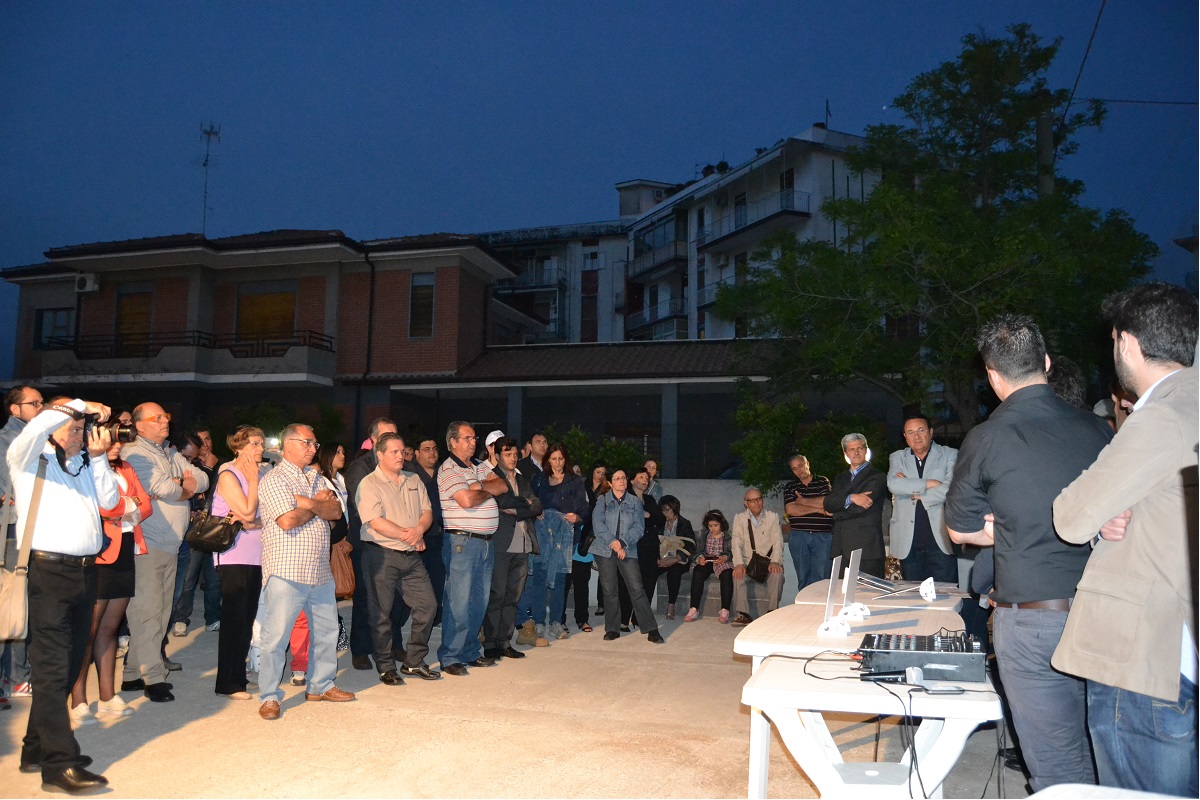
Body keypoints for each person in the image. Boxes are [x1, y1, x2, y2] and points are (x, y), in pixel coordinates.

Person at [946, 314, 1112, 792]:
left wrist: (1005, 527)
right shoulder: (1099, 430)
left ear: (993, 376)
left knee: (1058, 767)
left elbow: (959, 529)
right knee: (1104, 753)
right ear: (1046, 362)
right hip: (1103, 612)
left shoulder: (987, 438)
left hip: (1033, 622)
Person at [1050, 284, 1198, 796]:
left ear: (1127, 343)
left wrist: (1099, 513)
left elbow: (1071, 515)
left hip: (1145, 657)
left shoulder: (1161, 414)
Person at [9, 398, 118, 792]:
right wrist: (80, 405)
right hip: (47, 573)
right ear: (51, 424)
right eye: (72, 427)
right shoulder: (27, 455)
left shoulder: (84, 463)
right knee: (52, 667)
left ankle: (35, 748)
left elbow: (110, 502)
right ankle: (58, 766)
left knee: (71, 664)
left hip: (85, 572)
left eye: (82, 428)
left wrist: (100, 459)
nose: (79, 433)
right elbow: (42, 424)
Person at [255, 424, 354, 721]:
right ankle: (269, 696)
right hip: (286, 569)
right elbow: (287, 521)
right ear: (287, 445)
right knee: (276, 637)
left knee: (326, 632)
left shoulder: (317, 477)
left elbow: (335, 512)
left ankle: (321, 685)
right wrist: (317, 504)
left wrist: (306, 503)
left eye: (315, 443)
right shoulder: (274, 479)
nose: (313, 448)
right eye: (307, 443)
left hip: (320, 570)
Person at [121, 403, 209, 702]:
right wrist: (184, 486)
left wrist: (180, 485)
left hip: (170, 543)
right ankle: (154, 677)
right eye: (156, 418)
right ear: (139, 425)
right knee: (147, 612)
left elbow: (203, 479)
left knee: (160, 612)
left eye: (165, 417)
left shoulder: (169, 453)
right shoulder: (136, 453)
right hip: (148, 542)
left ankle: (132, 673)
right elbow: (162, 488)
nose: (164, 421)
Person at [69, 435, 151, 725]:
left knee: (110, 628)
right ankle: (78, 698)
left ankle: (107, 695)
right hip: (99, 552)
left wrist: (124, 508)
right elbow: (104, 507)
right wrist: (126, 507)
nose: (117, 445)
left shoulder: (126, 467)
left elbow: (146, 505)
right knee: (87, 630)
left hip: (124, 549)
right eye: (112, 440)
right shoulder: (83, 466)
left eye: (119, 441)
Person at [356, 432, 441, 684]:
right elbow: (375, 522)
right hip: (381, 555)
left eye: (402, 451)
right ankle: (385, 666)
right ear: (379, 455)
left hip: (411, 556)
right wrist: (410, 535)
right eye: (393, 452)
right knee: (381, 613)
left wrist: (418, 531)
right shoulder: (369, 483)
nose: (400, 456)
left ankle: (413, 661)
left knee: (428, 606)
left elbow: (427, 512)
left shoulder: (413, 479)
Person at [437, 421, 508, 676]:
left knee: (479, 601)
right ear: (453, 442)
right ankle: (451, 656)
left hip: (486, 543)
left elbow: (502, 485)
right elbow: (466, 500)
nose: (472, 442)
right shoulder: (449, 469)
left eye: (474, 438)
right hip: (462, 543)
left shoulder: (479, 465)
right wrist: (483, 488)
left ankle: (470, 651)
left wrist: (479, 487)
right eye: (467, 438)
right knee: (458, 601)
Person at [343, 417, 405, 671]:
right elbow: (364, 506)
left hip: (397, 540)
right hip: (368, 542)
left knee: (396, 597)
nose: (393, 440)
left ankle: (394, 644)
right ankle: (360, 649)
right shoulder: (361, 467)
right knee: (366, 597)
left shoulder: (402, 465)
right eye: (387, 435)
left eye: (395, 434)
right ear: (374, 440)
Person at [211, 425, 265, 700]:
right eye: (255, 443)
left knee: (246, 618)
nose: (261, 448)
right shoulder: (228, 473)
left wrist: (253, 521)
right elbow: (247, 511)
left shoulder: (259, 473)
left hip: (256, 555)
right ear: (239, 446)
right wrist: (253, 481)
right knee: (234, 619)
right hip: (233, 555)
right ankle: (228, 683)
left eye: (261, 443)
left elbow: (263, 516)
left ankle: (238, 677)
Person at [1, 385, 43, 704]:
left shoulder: (34, 438)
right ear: (15, 409)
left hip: (29, 529)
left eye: (42, 402)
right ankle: (15, 677)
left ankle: (15, 676)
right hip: (12, 531)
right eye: (34, 403)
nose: (41, 407)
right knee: (11, 602)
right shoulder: (8, 440)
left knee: (19, 602)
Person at [589, 469, 664, 644]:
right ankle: (612, 628)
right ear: (610, 482)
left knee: (637, 588)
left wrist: (622, 543)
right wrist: (613, 543)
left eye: (623, 477)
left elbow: (639, 527)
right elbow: (598, 524)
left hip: (627, 549)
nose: (621, 480)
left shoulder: (635, 502)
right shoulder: (602, 500)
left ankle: (651, 629)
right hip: (605, 549)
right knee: (610, 590)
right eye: (617, 478)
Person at [482, 436, 541, 659]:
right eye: (508, 454)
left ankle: (504, 641)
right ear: (497, 456)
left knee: (513, 597)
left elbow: (538, 505)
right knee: (497, 595)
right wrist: (524, 503)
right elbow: (502, 502)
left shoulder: (522, 479)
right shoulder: (491, 477)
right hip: (501, 544)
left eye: (515, 454)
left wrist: (519, 509)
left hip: (523, 545)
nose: (513, 458)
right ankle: (490, 644)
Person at [887, 414, 958, 583]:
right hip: (908, 544)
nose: (916, 436)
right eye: (910, 432)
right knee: (914, 595)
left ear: (931, 432)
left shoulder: (950, 454)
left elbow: (951, 489)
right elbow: (893, 484)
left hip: (941, 541)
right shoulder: (897, 457)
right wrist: (930, 483)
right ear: (905, 436)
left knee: (945, 595)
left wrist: (912, 489)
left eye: (921, 430)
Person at [529, 443, 587, 641]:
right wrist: (536, 512)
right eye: (554, 459)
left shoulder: (575, 480)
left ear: (566, 459)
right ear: (548, 460)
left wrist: (577, 517)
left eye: (561, 458)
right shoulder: (539, 479)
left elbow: (584, 507)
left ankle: (556, 622)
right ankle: (538, 623)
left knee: (560, 580)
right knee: (539, 578)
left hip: (564, 535)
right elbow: (531, 501)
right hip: (543, 534)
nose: (557, 462)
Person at [170, 430, 221, 637]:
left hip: (215, 527)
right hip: (192, 527)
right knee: (188, 577)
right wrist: (204, 471)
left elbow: (207, 489)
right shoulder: (185, 463)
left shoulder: (221, 464)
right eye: (200, 440)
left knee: (214, 577)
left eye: (208, 439)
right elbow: (188, 491)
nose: (205, 444)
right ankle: (180, 618)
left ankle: (213, 617)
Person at [823, 433, 888, 578]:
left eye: (860, 448)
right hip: (841, 548)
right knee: (840, 591)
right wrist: (851, 497)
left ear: (866, 450)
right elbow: (828, 503)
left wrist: (835, 513)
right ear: (846, 453)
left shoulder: (877, 476)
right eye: (852, 449)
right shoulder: (841, 478)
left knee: (868, 591)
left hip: (866, 548)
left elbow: (859, 508)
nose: (856, 452)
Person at [730, 488, 785, 626]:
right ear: (746, 503)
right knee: (738, 574)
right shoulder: (740, 519)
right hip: (748, 562)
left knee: (777, 574)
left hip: (768, 562)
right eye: (752, 500)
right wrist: (739, 563)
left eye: (759, 499)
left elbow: (778, 541)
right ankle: (743, 614)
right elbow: (736, 542)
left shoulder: (772, 517)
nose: (757, 503)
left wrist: (775, 561)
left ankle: (772, 612)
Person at [315, 441, 350, 652]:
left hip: (342, 536)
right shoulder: (322, 481)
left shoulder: (340, 479)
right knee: (326, 590)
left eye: (343, 451)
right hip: (330, 539)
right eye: (337, 452)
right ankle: (334, 632)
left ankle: (334, 631)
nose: (342, 455)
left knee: (333, 588)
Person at [782, 454, 833, 590]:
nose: (799, 470)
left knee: (822, 578)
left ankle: (820, 604)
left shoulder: (822, 481)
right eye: (794, 468)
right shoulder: (790, 486)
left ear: (807, 464)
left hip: (822, 536)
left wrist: (802, 501)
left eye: (800, 465)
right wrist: (819, 509)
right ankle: (805, 603)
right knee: (803, 577)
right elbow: (791, 509)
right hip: (799, 536)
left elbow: (827, 503)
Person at [623, 466, 664, 630]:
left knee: (649, 582)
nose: (645, 480)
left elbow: (660, 520)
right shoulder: (626, 498)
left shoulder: (650, 499)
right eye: (641, 477)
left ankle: (639, 618)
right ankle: (624, 618)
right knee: (629, 582)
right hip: (632, 546)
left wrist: (649, 515)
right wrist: (644, 515)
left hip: (650, 546)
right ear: (632, 480)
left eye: (647, 478)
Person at [684, 509, 734, 622]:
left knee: (727, 574)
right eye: (710, 526)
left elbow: (733, 552)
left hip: (721, 561)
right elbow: (695, 551)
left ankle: (725, 610)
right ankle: (694, 609)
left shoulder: (728, 536)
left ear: (721, 524)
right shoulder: (704, 535)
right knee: (697, 572)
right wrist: (699, 559)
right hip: (707, 560)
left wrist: (725, 557)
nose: (713, 528)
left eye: (716, 525)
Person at [653, 495, 694, 620]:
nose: (664, 513)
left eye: (667, 509)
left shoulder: (684, 524)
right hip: (662, 557)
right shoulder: (659, 523)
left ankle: (671, 605)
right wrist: (657, 559)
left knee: (674, 572)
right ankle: (644, 605)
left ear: (675, 509)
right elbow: (652, 543)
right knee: (648, 570)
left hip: (679, 559)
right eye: (662, 510)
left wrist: (675, 559)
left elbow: (691, 546)